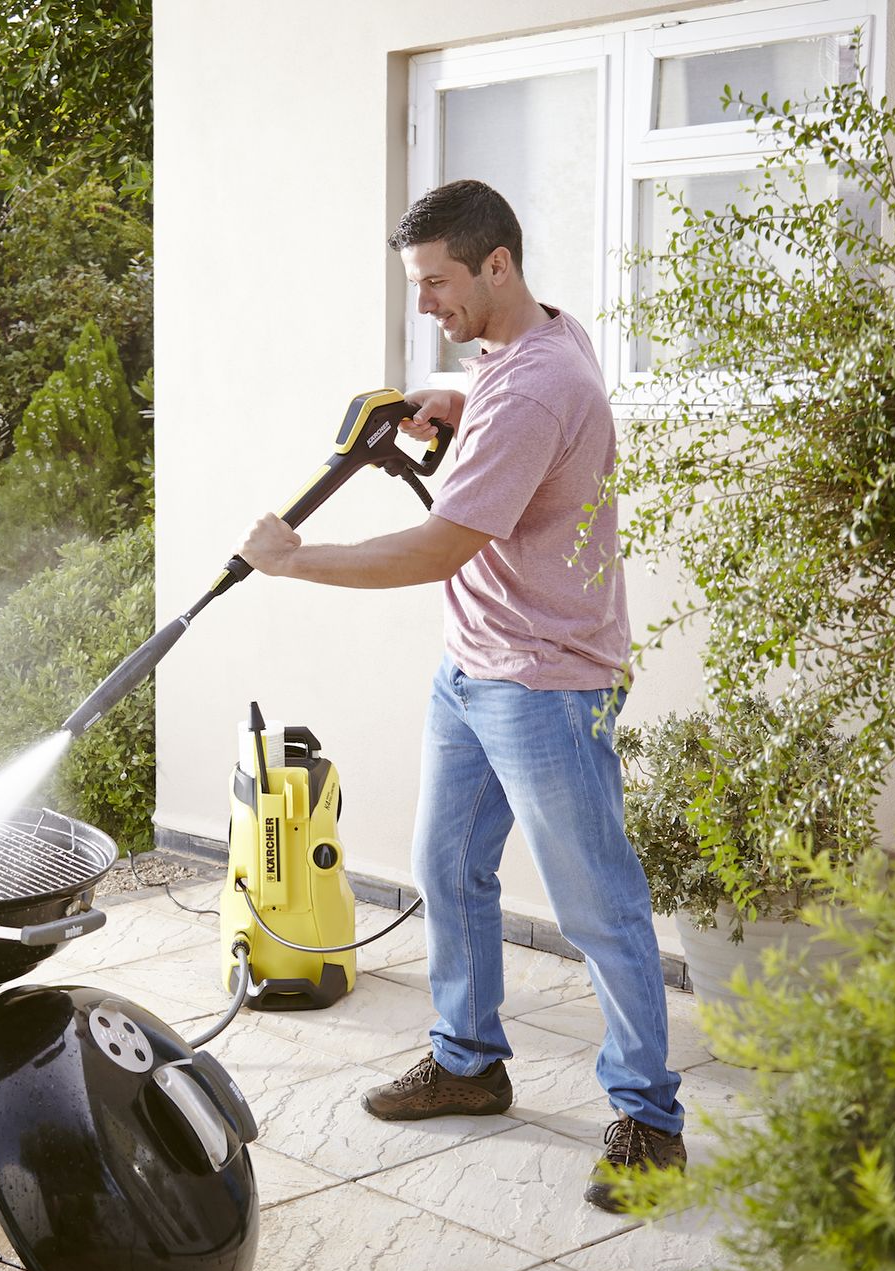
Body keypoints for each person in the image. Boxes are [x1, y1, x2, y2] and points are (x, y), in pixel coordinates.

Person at [237, 179, 684, 1210]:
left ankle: (649, 1119)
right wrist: (457, 403)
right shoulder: (526, 352)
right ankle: (469, 1060)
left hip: (543, 681)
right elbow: (507, 421)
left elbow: (441, 543)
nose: (426, 305)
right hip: (473, 668)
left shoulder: (532, 388)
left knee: (597, 905)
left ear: (497, 265)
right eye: (415, 285)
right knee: (448, 865)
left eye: (437, 283)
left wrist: (294, 559)